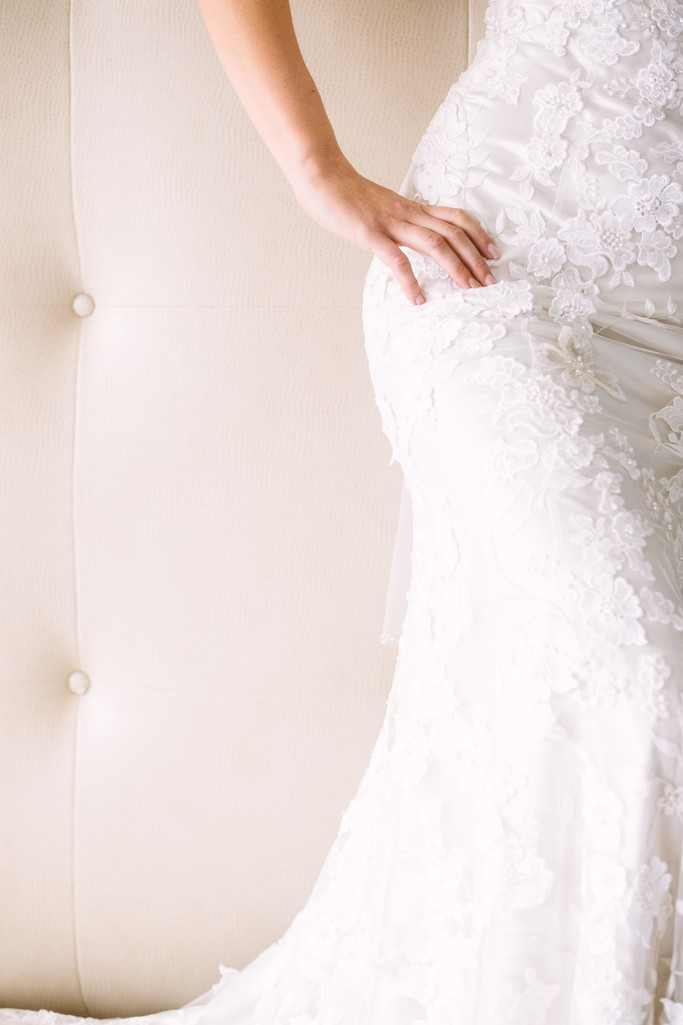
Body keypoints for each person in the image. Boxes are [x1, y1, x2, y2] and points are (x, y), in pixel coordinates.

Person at [3, 0, 683, 1022]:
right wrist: (317, 169)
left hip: (663, 326)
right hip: (497, 281)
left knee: (557, 730)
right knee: (639, 671)